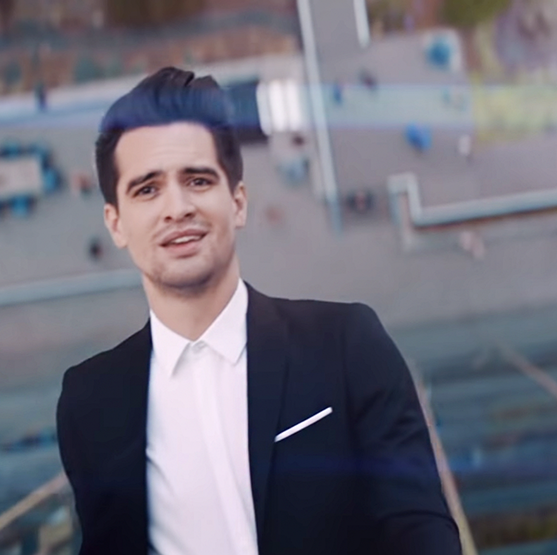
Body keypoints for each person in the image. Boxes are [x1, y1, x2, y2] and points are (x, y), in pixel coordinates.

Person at [56, 67, 460, 555]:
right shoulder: (88, 401)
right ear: (116, 223)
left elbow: (420, 529)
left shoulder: (345, 345)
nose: (176, 207)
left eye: (197, 180)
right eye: (147, 189)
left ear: (238, 202)